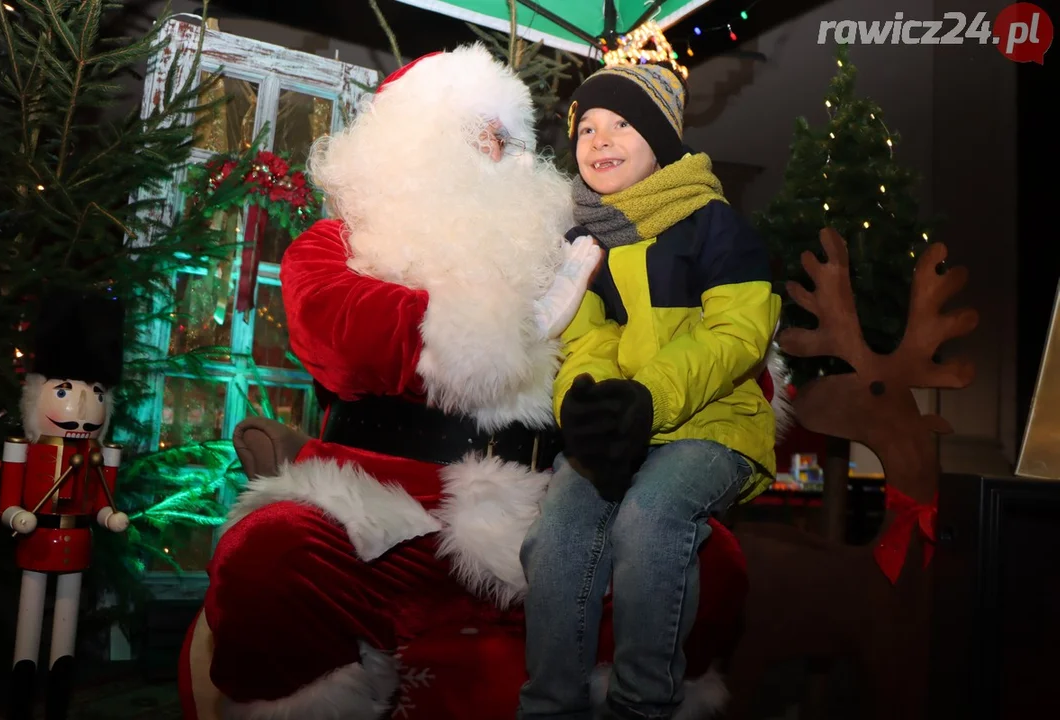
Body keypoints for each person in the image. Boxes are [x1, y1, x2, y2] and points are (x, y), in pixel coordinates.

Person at [179, 46, 782, 720]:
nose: (497, 151)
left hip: (544, 503)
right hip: (382, 504)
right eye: (476, 134)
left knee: (712, 563)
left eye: (508, 138)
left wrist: (658, 399)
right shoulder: (346, 242)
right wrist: (482, 325)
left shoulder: (574, 249)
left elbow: (687, 338)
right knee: (266, 556)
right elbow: (329, 330)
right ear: (410, 145)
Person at [518, 63, 783, 720]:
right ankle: (549, 707)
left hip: (713, 424)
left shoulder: (713, 223)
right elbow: (585, 341)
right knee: (555, 532)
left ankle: (641, 705)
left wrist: (648, 401)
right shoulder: (583, 242)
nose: (600, 139)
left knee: (652, 515)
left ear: (661, 138)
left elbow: (737, 335)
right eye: (587, 127)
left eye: (621, 124)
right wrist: (588, 407)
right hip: (628, 429)